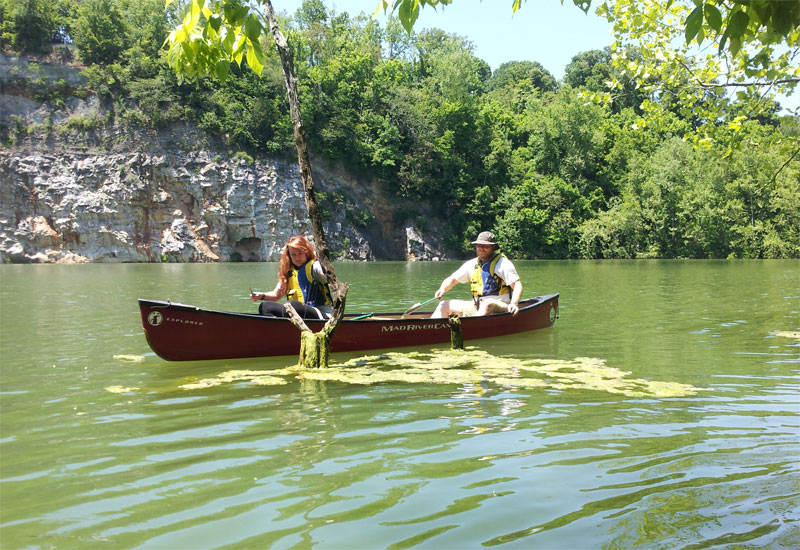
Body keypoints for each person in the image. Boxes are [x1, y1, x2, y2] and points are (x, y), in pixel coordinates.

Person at [431, 231, 523, 318]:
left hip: (502, 306)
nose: (481, 248)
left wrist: (514, 303)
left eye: (485, 246)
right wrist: (442, 289)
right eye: (479, 245)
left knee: (488, 304)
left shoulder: (503, 264)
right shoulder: (471, 264)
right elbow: (453, 279)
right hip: (477, 306)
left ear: (493, 247)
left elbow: (517, 285)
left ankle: (470, 328)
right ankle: (432, 329)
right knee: (444, 304)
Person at [251, 235, 333, 320]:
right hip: (297, 314)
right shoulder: (288, 272)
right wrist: (261, 296)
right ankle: (280, 330)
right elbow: (276, 295)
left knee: (291, 305)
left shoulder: (314, 265)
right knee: (265, 306)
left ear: (307, 252)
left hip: (322, 314)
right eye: (293, 254)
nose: (297, 257)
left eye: (300, 253)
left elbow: (323, 273)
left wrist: (324, 271)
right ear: (289, 255)